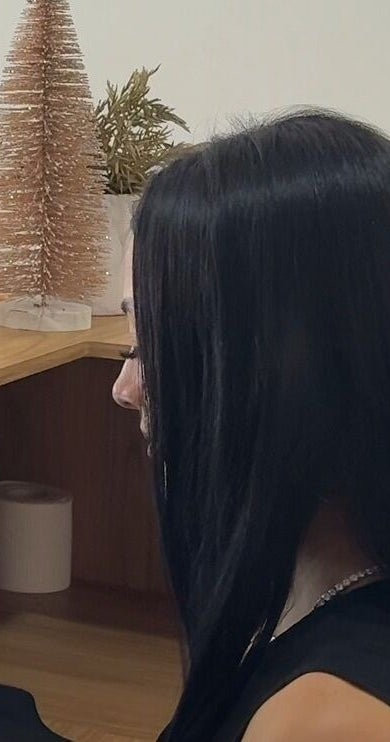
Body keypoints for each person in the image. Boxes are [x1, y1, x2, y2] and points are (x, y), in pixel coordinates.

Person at [111, 110, 390, 741]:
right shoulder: (300, 600)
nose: (125, 389)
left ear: (271, 371)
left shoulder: (325, 720)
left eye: (149, 346)